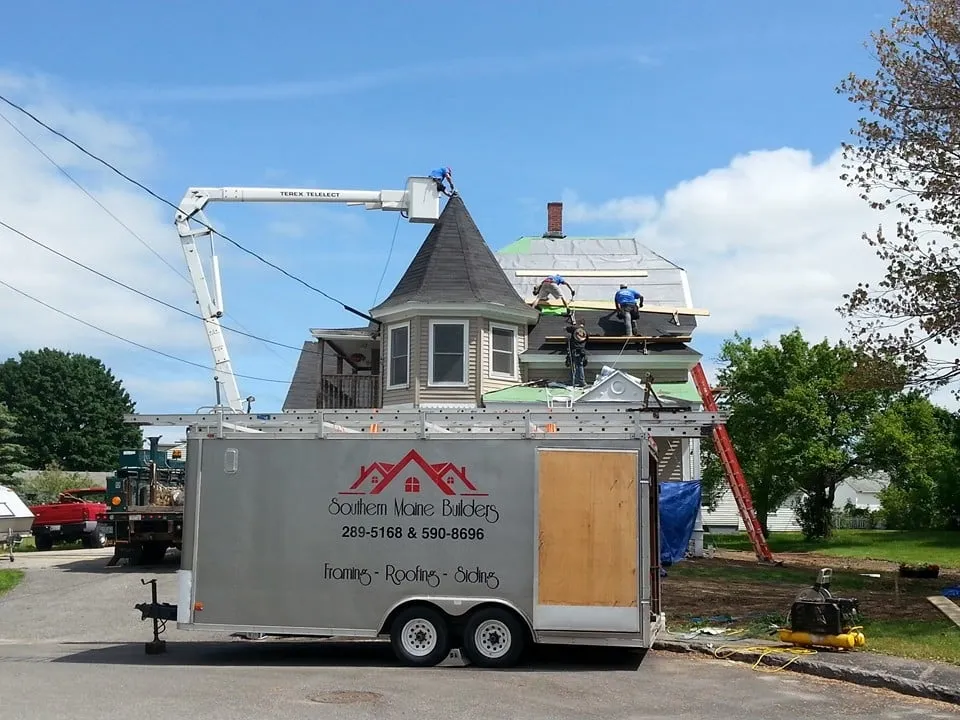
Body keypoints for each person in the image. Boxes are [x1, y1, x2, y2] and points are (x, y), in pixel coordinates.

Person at [564, 312, 589, 387]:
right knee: (579, 365)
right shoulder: (586, 332)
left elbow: (566, 328)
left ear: (579, 323)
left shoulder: (575, 328)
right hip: (581, 351)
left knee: (574, 365)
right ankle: (579, 381)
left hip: (574, 350)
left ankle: (577, 381)